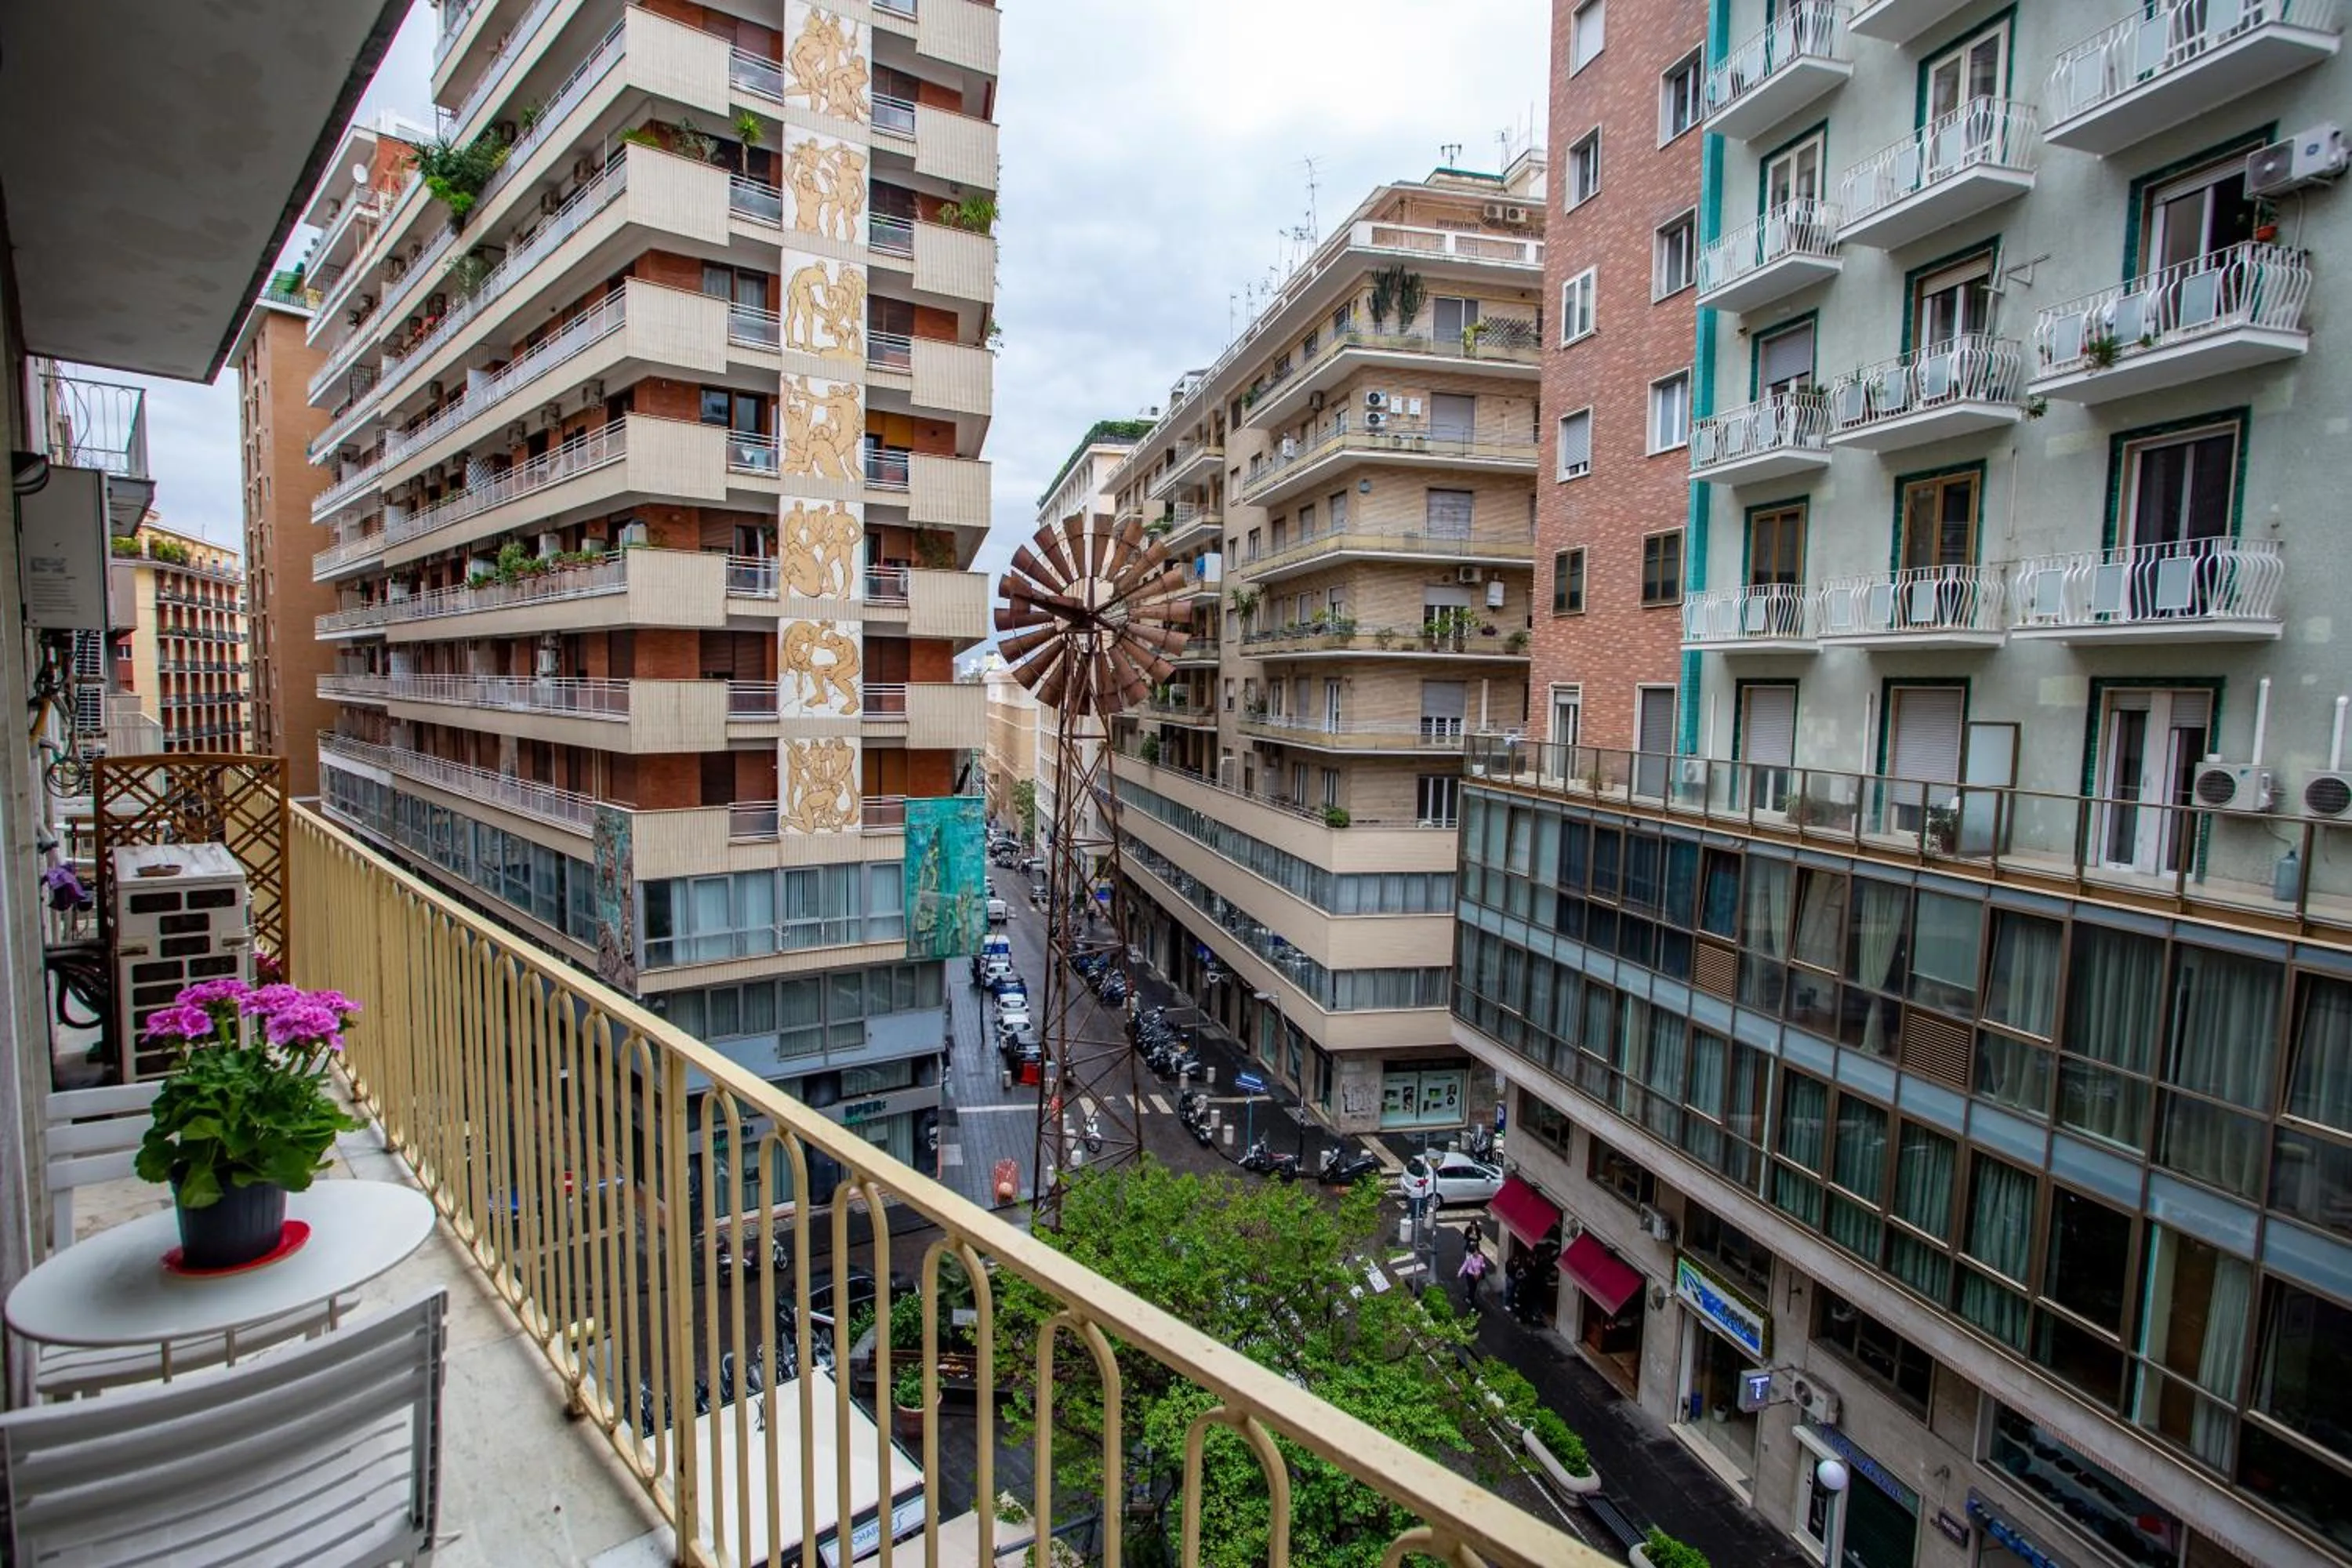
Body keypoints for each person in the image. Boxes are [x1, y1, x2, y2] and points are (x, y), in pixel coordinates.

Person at [1457, 1244, 1488, 1312]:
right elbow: (1464, 1266)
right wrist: (1460, 1273)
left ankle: (1468, 1297)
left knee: (1474, 1289)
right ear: (1472, 1253)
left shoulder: (1481, 1257)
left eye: (1476, 1251)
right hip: (1470, 1276)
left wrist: (1483, 1267)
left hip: (1477, 1276)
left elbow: (1482, 1264)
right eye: (1474, 1252)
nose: (1476, 1253)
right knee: (1472, 1290)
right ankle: (1472, 1305)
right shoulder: (1469, 1259)